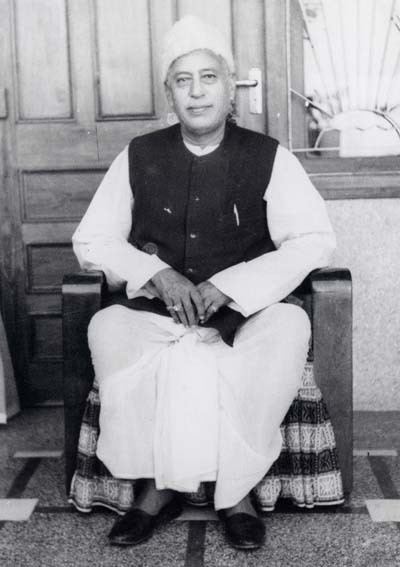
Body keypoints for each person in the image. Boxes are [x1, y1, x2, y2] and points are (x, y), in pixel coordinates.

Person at [72, 15, 336, 551]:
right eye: (183, 80)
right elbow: (93, 240)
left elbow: (312, 240)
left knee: (287, 326)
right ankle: (155, 491)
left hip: (245, 317)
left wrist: (235, 286)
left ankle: (236, 493)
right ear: (169, 93)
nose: (196, 93)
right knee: (108, 328)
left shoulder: (269, 157)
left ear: (229, 86)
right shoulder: (139, 155)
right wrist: (157, 274)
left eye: (208, 77)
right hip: (157, 318)